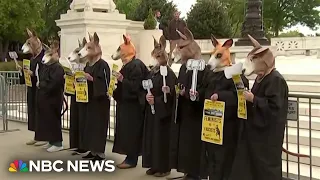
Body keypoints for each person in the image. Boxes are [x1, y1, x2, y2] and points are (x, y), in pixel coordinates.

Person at [229, 35, 289, 180]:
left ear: (264, 62)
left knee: (265, 169)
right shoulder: (259, 78)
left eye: (254, 60)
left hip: (267, 137)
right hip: (255, 133)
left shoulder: (276, 80)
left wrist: (254, 99)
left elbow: (275, 108)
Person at [203, 36, 249, 180]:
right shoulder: (211, 75)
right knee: (212, 157)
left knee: (226, 158)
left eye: (218, 56)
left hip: (228, 127)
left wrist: (220, 96)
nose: (213, 60)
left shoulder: (235, 74)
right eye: (213, 55)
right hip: (211, 125)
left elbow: (240, 96)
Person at [171, 27, 208, 180]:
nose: (177, 51)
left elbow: (204, 88)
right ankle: (187, 171)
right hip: (184, 112)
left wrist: (195, 95)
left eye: (181, 48)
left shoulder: (203, 68)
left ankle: (196, 173)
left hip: (196, 114)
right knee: (185, 144)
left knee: (195, 144)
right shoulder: (183, 68)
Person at [111, 34, 149, 168]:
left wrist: (122, 80)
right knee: (127, 132)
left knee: (132, 133)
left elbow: (136, 86)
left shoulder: (136, 65)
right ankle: (129, 157)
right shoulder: (129, 65)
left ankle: (131, 159)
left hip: (134, 106)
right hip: (126, 105)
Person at [142, 35, 177, 177]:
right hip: (152, 111)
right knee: (152, 138)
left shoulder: (168, 74)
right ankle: (153, 164)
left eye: (157, 57)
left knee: (162, 140)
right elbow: (148, 87)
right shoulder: (153, 72)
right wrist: (147, 96)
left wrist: (158, 100)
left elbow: (170, 95)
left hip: (163, 113)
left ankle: (164, 167)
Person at [78, 33, 111, 161]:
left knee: (98, 126)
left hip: (100, 102)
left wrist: (92, 80)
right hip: (89, 100)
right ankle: (92, 150)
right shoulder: (88, 65)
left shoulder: (103, 65)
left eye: (89, 48)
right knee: (89, 126)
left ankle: (100, 153)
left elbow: (106, 83)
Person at [35, 43, 65, 152]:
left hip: (53, 98)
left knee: (53, 120)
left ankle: (58, 143)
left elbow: (55, 83)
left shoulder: (57, 67)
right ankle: (51, 141)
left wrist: (42, 85)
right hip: (45, 98)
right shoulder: (47, 66)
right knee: (47, 120)